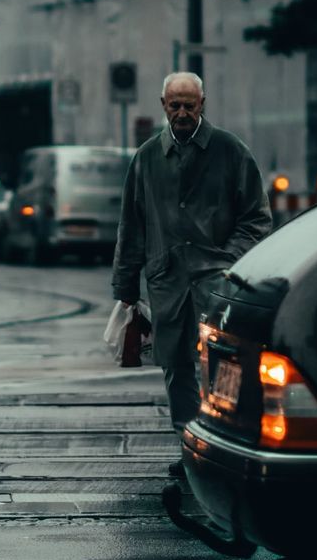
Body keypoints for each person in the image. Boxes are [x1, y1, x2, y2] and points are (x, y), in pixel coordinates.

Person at [111, 71, 272, 473]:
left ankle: (223, 446)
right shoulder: (147, 158)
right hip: (168, 285)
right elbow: (132, 226)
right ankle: (190, 447)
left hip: (216, 284)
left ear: (203, 104)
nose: (182, 112)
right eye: (175, 105)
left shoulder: (230, 151)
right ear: (163, 105)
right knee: (177, 368)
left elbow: (257, 218)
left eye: (189, 105)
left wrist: (226, 260)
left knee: (222, 367)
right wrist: (126, 287)